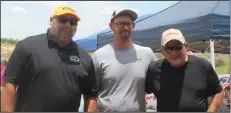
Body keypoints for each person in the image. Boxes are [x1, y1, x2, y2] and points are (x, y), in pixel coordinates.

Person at [1, 6, 97, 112]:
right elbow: (9, 83)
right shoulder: (27, 46)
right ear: (51, 21)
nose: (68, 25)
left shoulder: (84, 57)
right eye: (63, 20)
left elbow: (91, 94)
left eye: (73, 22)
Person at [87, 9, 157, 112]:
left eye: (128, 24)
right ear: (112, 26)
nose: (125, 27)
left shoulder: (147, 54)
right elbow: (92, 95)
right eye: (120, 24)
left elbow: (155, 87)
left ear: (133, 26)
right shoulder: (99, 55)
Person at [146, 28, 224, 112]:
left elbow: (218, 92)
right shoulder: (154, 69)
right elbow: (141, 91)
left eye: (178, 47)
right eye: (169, 49)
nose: (174, 53)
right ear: (162, 51)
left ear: (186, 46)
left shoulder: (203, 66)